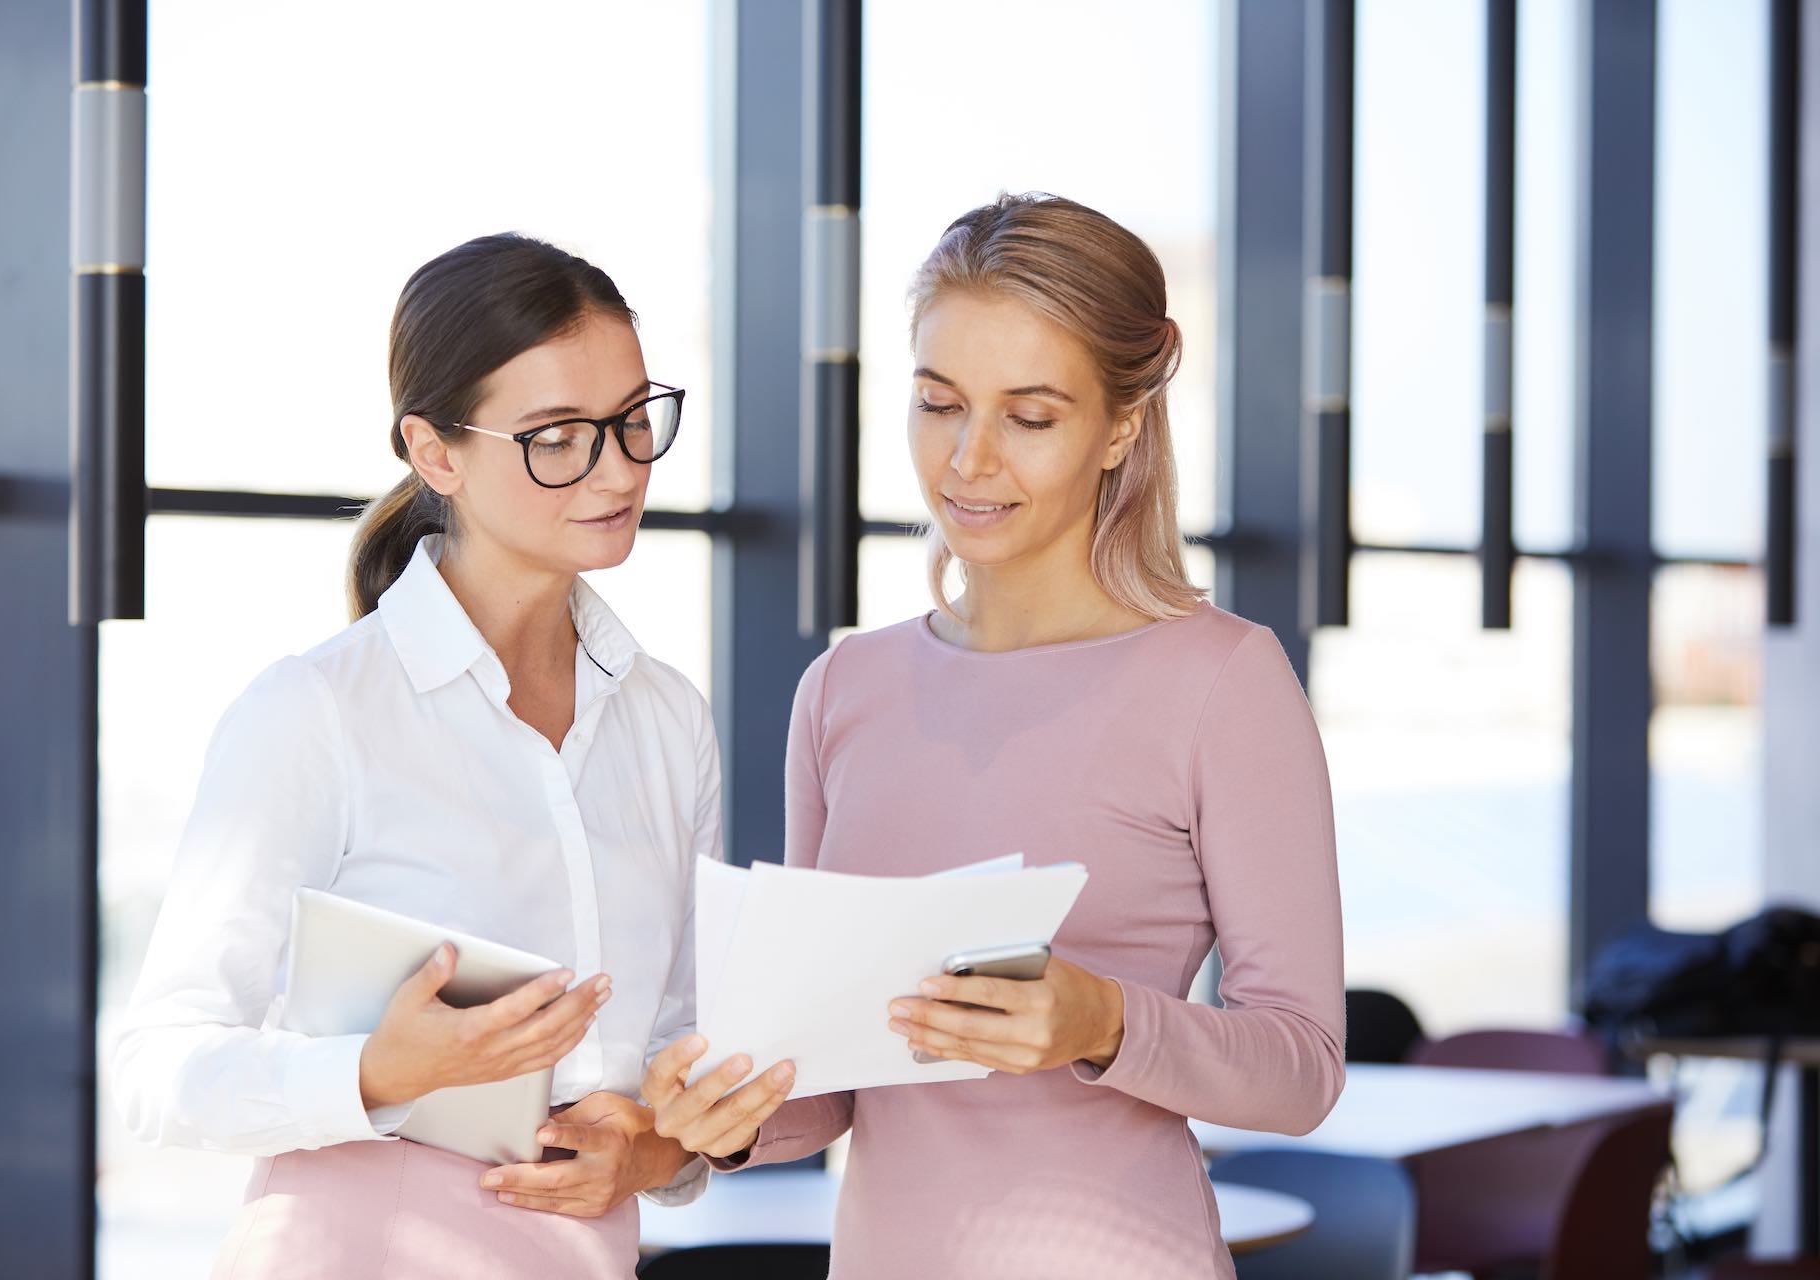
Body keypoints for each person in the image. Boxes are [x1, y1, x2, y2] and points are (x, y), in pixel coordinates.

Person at [643, 194, 1345, 1279]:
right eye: (938, 402)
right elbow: (827, 1083)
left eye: (1030, 415)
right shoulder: (843, 689)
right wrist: (722, 1113)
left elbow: (1301, 1066)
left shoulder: (1223, 682)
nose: (969, 460)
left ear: (1118, 425)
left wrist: (1102, 1021)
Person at [112, 232, 714, 1279]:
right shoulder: (317, 713)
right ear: (437, 454)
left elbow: (677, 1044)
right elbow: (154, 1065)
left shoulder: (669, 721)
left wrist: (652, 1146)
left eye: (630, 421)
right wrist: (373, 1072)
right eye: (557, 436)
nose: (616, 468)